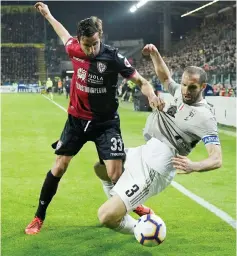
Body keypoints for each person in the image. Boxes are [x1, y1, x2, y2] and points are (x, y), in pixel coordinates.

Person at [25, 3, 162, 235]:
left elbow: (141, 81)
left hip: (106, 124)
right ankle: (39, 217)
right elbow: (63, 33)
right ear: (80, 41)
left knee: (115, 173)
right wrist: (48, 15)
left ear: (101, 38)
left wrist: (151, 95)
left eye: (95, 43)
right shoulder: (73, 48)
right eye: (87, 45)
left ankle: (132, 203)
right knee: (59, 166)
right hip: (77, 121)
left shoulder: (113, 57)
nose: (91, 50)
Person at [96, 44, 222, 235]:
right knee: (101, 166)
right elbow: (165, 78)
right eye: (185, 84)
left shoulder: (205, 117)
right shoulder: (182, 92)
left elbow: (216, 158)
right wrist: (155, 54)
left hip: (157, 168)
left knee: (105, 216)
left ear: (203, 87)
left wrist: (193, 166)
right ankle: (127, 207)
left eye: (192, 87)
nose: (186, 90)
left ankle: (146, 229)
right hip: (145, 151)